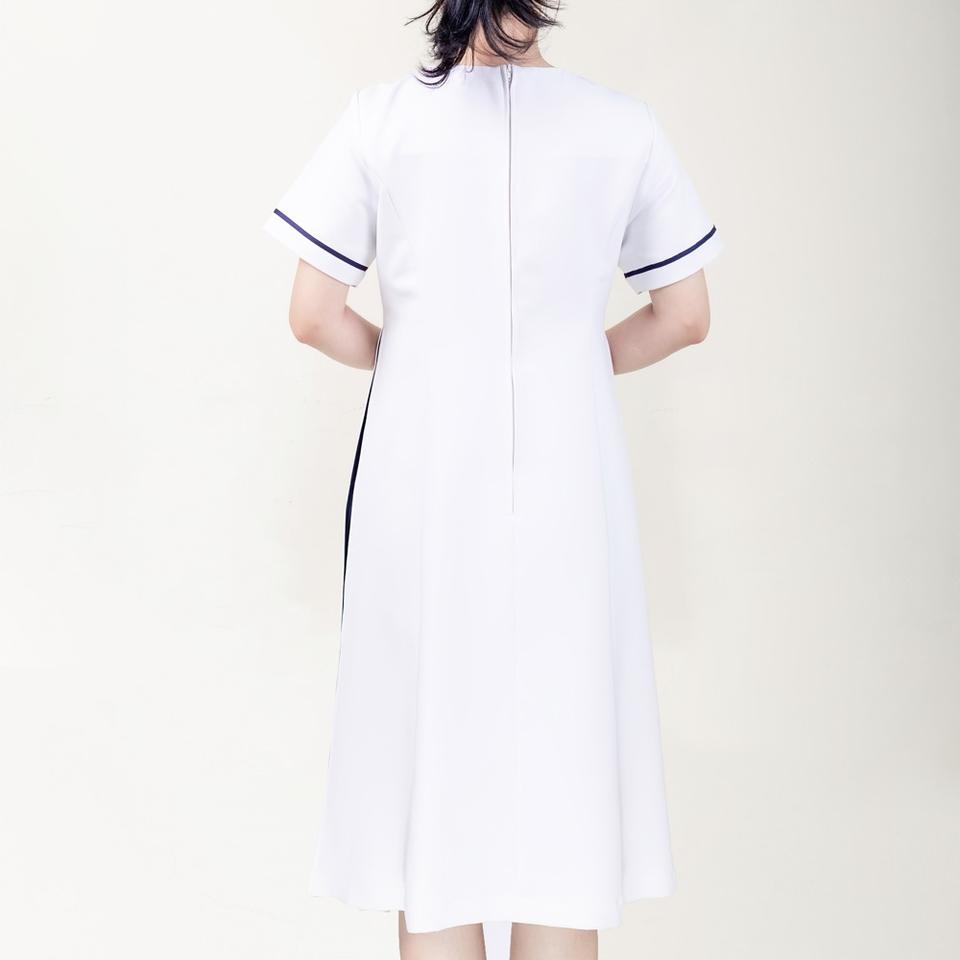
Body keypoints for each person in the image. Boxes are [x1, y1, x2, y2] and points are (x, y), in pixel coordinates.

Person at [261, 2, 722, 958]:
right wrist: (574, 362)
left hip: (420, 480)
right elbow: (684, 314)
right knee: (563, 797)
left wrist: (408, 359)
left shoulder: (380, 121)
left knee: (432, 792)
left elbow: (311, 313)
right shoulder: (622, 127)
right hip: (571, 482)